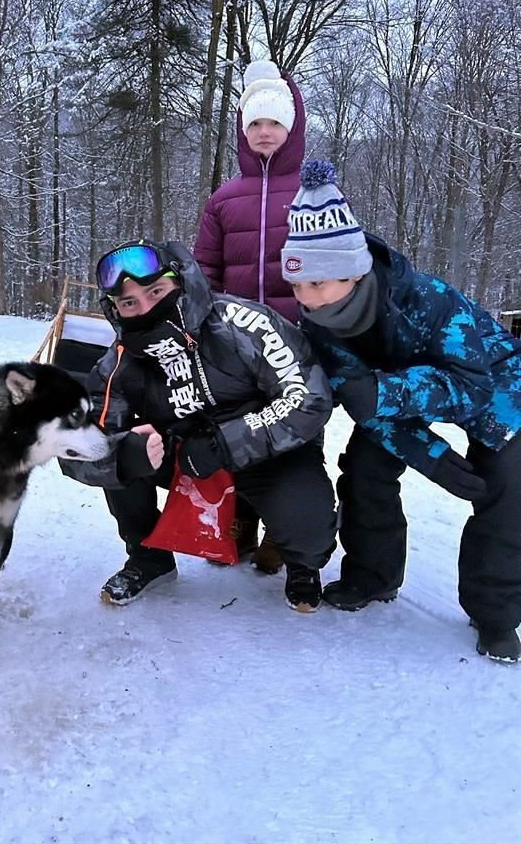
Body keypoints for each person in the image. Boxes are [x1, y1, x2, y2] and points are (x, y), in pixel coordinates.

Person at [279, 158, 521, 663]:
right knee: (364, 470)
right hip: (398, 390)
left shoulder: (429, 300)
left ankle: (495, 612)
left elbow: (471, 388)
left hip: (496, 382)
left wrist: (388, 392)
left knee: (507, 486)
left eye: (317, 284)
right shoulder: (321, 326)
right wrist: (427, 453)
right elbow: (364, 403)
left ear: (354, 272)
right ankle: (373, 575)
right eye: (297, 286)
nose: (306, 299)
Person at [59, 239, 337, 613]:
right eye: (129, 303)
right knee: (120, 454)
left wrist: (227, 442)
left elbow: (308, 397)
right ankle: (148, 557)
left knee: (308, 529)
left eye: (155, 291)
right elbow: (76, 442)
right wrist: (122, 456)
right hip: (184, 458)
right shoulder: (119, 361)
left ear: (181, 282)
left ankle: (301, 564)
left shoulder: (244, 322)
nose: (146, 308)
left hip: (267, 451)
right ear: (115, 310)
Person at [194, 59, 305, 570]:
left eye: (275, 123)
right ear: (243, 129)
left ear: (292, 128)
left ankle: (282, 535)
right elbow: (204, 273)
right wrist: (203, 332)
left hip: (296, 348)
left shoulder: (314, 194)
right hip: (235, 349)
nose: (265, 132)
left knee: (292, 437)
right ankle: (237, 529)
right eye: (255, 123)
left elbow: (340, 273)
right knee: (237, 434)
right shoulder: (224, 199)